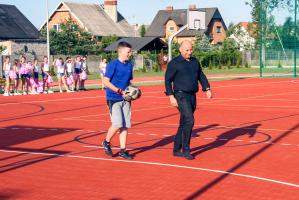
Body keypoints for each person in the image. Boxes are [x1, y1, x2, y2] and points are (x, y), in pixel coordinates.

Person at [165, 40, 213, 160]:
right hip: (180, 95)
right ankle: (186, 149)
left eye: (191, 50)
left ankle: (176, 149)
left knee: (184, 123)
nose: (189, 52)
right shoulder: (174, 63)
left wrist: (207, 88)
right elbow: (167, 80)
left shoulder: (195, 61)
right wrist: (171, 96)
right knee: (190, 120)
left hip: (192, 96)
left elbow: (200, 75)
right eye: (187, 50)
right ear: (180, 50)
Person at [102, 41, 134, 160]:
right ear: (120, 52)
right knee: (117, 123)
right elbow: (105, 81)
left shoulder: (129, 65)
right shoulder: (113, 64)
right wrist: (119, 91)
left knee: (125, 125)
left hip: (126, 98)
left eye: (130, 52)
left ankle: (123, 150)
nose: (130, 54)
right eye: (128, 52)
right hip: (113, 98)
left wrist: (133, 91)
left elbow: (128, 82)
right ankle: (106, 142)